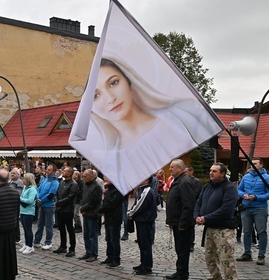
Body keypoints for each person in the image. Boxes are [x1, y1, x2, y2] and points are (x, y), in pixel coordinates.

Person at [86, 58, 221, 193]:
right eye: (95, 96)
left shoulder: (182, 116)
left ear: (128, 80)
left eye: (113, 83)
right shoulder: (112, 158)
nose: (110, 98)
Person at [194, 163, 240, 280]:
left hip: (224, 229)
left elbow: (226, 209)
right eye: (210, 171)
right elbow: (199, 203)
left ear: (222, 173)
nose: (211, 173)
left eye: (214, 171)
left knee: (226, 259)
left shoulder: (229, 188)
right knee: (210, 257)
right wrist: (197, 216)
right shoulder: (207, 186)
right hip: (210, 228)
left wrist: (206, 218)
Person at [165, 159, 197, 280]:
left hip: (182, 223)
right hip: (176, 221)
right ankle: (179, 272)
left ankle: (183, 277)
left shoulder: (185, 182)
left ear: (180, 168)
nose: (170, 169)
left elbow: (188, 205)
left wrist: (183, 222)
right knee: (179, 249)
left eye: (172, 167)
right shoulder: (178, 180)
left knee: (183, 250)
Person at [236, 158, 269, 265]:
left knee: (261, 231)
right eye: (251, 164)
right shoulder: (246, 177)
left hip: (260, 208)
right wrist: (243, 195)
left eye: (255, 164)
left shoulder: (266, 178)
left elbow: (268, 194)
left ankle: (261, 255)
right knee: (246, 231)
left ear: (261, 165)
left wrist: (256, 197)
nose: (252, 166)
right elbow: (239, 190)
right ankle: (247, 253)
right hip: (246, 208)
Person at [128, 176, 157, 275]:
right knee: (142, 243)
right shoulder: (143, 190)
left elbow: (139, 205)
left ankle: (147, 267)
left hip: (145, 221)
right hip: (142, 220)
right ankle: (143, 263)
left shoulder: (147, 191)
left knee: (145, 244)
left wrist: (130, 213)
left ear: (147, 180)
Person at [53, 167, 78, 257]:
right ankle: (63, 246)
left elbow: (70, 198)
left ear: (70, 173)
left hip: (68, 210)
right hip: (60, 209)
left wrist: (59, 203)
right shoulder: (62, 182)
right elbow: (57, 193)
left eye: (65, 171)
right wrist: (58, 203)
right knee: (61, 228)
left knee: (70, 229)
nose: (63, 172)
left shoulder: (73, 184)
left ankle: (72, 248)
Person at [78, 169, 103, 262]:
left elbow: (93, 202)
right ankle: (88, 252)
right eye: (83, 176)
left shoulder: (96, 187)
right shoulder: (86, 185)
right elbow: (83, 198)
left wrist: (83, 208)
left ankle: (94, 254)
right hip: (86, 213)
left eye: (85, 176)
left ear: (91, 177)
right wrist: (82, 207)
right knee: (86, 234)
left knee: (93, 235)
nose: (83, 178)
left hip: (92, 213)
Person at [98, 176, 123, 268]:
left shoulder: (117, 191)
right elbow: (104, 203)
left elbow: (110, 204)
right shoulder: (109, 190)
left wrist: (100, 210)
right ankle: (110, 256)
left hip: (115, 218)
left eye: (107, 178)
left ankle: (116, 259)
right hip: (108, 218)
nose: (105, 179)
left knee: (114, 240)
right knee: (108, 239)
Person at [34, 164, 60, 250]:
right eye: (47, 169)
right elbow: (39, 189)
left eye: (49, 170)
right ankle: (37, 241)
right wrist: (37, 197)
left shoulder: (55, 182)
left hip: (49, 205)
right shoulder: (44, 179)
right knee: (40, 224)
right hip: (41, 205)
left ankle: (48, 242)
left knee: (49, 225)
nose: (47, 171)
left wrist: (42, 200)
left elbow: (51, 194)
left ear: (54, 171)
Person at [185, 165, 203, 252]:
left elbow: (196, 194)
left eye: (186, 171)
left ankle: (191, 244)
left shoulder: (196, 182)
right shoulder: (184, 181)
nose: (185, 173)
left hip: (193, 206)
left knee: (191, 226)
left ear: (191, 171)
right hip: (185, 206)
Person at [19, 173, 38, 254]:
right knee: (25, 229)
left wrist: (20, 198)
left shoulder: (32, 189)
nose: (23, 180)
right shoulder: (25, 188)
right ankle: (26, 244)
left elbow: (30, 200)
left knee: (28, 229)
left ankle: (30, 246)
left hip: (29, 212)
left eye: (24, 179)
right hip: (23, 211)